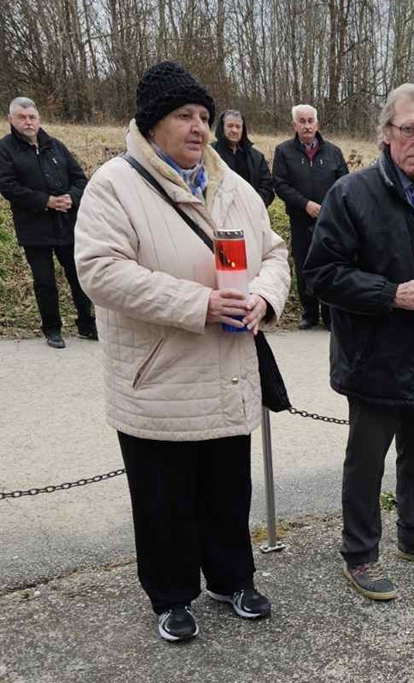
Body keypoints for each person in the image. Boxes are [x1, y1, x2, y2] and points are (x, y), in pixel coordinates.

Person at [74, 61, 291, 643]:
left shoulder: (233, 186)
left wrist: (264, 300)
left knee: (227, 490)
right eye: (183, 116)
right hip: (158, 379)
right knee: (163, 499)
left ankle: (231, 578)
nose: (198, 128)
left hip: (228, 374)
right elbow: (99, 270)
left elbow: (275, 254)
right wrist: (199, 305)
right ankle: (170, 596)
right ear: (151, 124)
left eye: (204, 116)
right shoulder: (113, 185)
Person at [304, 83, 414, 601]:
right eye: (409, 129)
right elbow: (321, 274)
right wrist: (391, 294)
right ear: (386, 133)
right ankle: (360, 554)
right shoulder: (351, 193)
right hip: (372, 358)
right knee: (366, 460)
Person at [0, 97, 94, 348]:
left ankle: (87, 324)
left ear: (39, 119)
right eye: (22, 117)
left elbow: (80, 179)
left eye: (32, 117)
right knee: (45, 281)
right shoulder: (5, 149)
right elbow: (8, 187)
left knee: (78, 277)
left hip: (67, 224)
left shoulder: (55, 146)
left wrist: (70, 199)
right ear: (11, 120)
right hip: (34, 228)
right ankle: (52, 329)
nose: (28, 122)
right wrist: (46, 201)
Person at [272, 104, 349, 330]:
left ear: (317, 124)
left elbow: (345, 183)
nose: (307, 126)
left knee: (329, 266)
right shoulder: (284, 152)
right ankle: (309, 313)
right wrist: (305, 205)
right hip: (301, 221)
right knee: (305, 266)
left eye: (310, 121)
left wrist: (330, 208)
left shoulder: (333, 152)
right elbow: (280, 185)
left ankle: (329, 314)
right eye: (302, 121)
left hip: (330, 222)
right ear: (294, 125)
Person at [212, 110, 275, 207]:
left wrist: (255, 204)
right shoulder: (210, 154)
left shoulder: (257, 157)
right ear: (222, 127)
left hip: (252, 212)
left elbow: (267, 186)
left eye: (238, 126)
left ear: (243, 129)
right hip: (219, 214)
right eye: (230, 126)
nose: (234, 130)